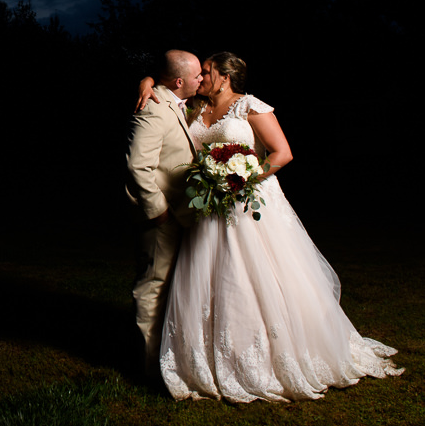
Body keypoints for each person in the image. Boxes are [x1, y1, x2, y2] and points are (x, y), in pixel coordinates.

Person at [136, 52, 403, 401]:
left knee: (262, 275)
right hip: (210, 205)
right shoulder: (195, 108)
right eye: (198, 73)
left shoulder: (250, 106)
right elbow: (172, 84)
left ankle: (278, 352)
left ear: (225, 76)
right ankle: (214, 353)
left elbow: (282, 153)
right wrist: (147, 82)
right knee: (214, 277)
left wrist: (242, 178)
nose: (200, 78)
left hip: (248, 201)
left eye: (207, 72)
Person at [124, 49, 203, 383]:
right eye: (198, 75)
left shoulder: (181, 103)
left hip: (186, 216)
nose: (203, 79)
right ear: (181, 81)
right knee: (152, 287)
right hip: (163, 218)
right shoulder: (154, 107)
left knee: (174, 288)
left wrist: (148, 78)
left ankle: (170, 360)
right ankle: (148, 370)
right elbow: (136, 165)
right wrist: (159, 214)